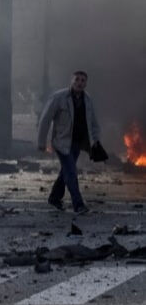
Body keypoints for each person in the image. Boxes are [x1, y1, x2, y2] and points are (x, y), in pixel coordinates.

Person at [37, 70, 101, 214]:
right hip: (61, 141)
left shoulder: (87, 100)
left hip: (77, 142)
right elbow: (45, 119)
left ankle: (54, 197)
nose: (79, 82)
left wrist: (95, 141)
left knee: (66, 171)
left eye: (83, 80)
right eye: (77, 79)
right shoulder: (59, 97)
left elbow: (93, 122)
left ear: (86, 84)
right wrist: (42, 142)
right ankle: (78, 204)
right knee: (71, 171)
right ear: (71, 81)